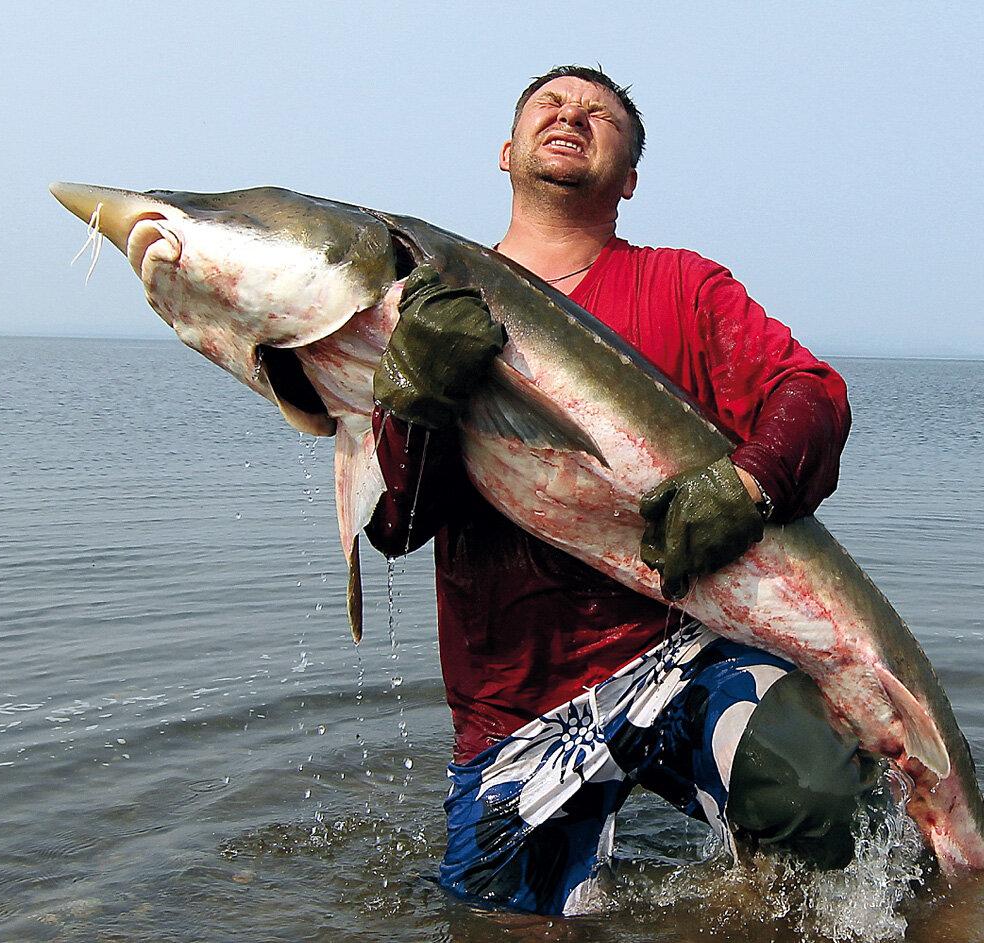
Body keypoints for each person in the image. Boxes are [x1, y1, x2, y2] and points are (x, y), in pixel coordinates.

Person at [366, 66, 882, 915]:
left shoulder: (681, 285)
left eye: (598, 114)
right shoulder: (423, 301)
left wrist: (749, 482)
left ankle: (755, 897)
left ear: (629, 178)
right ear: (505, 152)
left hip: (684, 644)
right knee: (493, 924)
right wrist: (414, 394)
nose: (571, 114)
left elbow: (809, 392)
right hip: (514, 692)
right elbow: (395, 521)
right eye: (549, 106)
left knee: (814, 794)